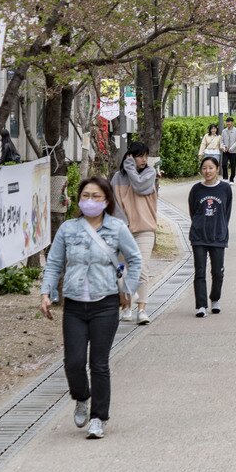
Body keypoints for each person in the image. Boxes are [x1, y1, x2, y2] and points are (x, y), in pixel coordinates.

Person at [40, 175, 141, 440]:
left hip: (105, 302)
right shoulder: (68, 229)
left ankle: (99, 417)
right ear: (79, 199)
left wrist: (127, 290)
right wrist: (46, 292)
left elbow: (135, 259)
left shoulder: (117, 228)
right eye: (86, 196)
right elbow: (53, 263)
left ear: (106, 200)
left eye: (96, 196)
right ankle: (81, 397)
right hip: (74, 303)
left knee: (99, 363)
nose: (90, 201)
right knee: (73, 362)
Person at [110, 141, 160, 325]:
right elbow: (113, 205)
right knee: (121, 271)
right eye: (140, 155)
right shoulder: (117, 178)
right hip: (122, 232)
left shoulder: (149, 173)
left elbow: (139, 186)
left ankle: (142, 309)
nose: (144, 159)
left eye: (146, 156)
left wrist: (130, 168)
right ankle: (126, 306)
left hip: (145, 229)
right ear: (130, 156)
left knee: (141, 269)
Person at [188, 156, 232, 317]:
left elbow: (226, 211)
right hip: (199, 236)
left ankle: (215, 299)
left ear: (217, 169)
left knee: (218, 271)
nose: (207, 171)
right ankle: (201, 305)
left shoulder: (225, 188)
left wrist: (220, 227)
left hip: (218, 235)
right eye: (204, 168)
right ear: (201, 170)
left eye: (211, 168)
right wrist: (200, 226)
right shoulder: (196, 189)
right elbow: (193, 211)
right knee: (199, 271)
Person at [220, 118, 236, 183]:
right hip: (225, 151)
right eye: (227, 122)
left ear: (232, 123)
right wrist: (223, 147)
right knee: (223, 164)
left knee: (233, 165)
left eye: (229, 122)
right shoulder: (224, 131)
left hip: (233, 151)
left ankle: (232, 179)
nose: (228, 123)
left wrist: (231, 148)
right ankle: (225, 178)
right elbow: (221, 140)